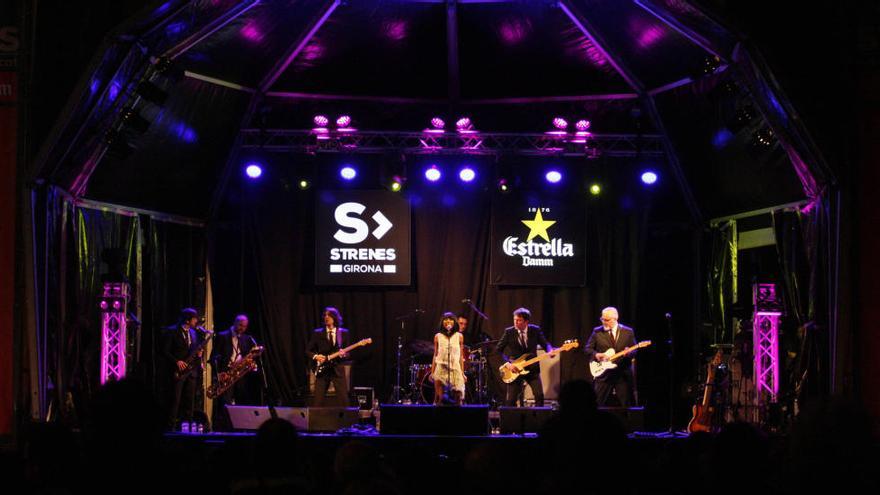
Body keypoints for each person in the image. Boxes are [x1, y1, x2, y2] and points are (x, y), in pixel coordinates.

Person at [161, 307, 208, 429]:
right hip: (178, 371)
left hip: (191, 371)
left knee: (189, 400)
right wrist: (177, 361)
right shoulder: (172, 331)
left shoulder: (193, 333)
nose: (196, 322)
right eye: (194, 320)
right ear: (187, 320)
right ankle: (170, 426)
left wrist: (199, 354)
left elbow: (194, 350)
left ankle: (188, 426)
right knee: (175, 400)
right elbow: (164, 351)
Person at [495, 307, 553, 407]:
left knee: (539, 395)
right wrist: (507, 364)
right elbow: (498, 350)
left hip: (532, 369)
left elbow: (545, 344)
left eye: (519, 320)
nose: (515, 322)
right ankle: (512, 421)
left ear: (526, 321)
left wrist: (550, 350)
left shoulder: (535, 330)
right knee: (510, 400)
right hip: (515, 370)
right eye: (514, 319)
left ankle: (539, 420)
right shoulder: (509, 332)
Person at [211, 314, 258, 429]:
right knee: (225, 403)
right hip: (226, 373)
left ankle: (239, 427)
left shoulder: (246, 338)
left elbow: (247, 356)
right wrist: (219, 373)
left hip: (239, 373)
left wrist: (251, 364)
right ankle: (223, 428)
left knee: (241, 401)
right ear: (235, 323)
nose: (243, 328)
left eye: (245, 326)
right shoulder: (222, 336)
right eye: (241, 325)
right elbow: (213, 357)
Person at [584, 306, 637, 407]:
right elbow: (587, 349)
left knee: (627, 406)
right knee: (596, 404)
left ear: (615, 319)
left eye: (606, 320)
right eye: (602, 319)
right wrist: (596, 354)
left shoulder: (628, 332)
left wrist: (629, 353)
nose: (603, 322)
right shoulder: (597, 331)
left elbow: (634, 350)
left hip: (622, 374)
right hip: (603, 374)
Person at [306, 307, 350, 406]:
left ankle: (346, 421)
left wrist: (344, 355)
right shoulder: (318, 333)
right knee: (317, 401)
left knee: (344, 401)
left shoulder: (343, 333)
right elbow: (308, 351)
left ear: (335, 317)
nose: (326, 317)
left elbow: (348, 354)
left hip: (337, 369)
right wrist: (316, 356)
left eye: (329, 315)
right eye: (325, 315)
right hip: (323, 369)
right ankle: (316, 421)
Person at [431, 312, 466, 405]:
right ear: (442, 322)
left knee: (458, 398)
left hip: (455, 368)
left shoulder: (459, 336)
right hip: (441, 368)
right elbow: (435, 354)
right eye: (446, 319)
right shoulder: (437, 336)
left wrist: (462, 373)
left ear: (454, 322)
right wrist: (432, 371)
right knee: (440, 399)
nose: (448, 321)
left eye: (450, 319)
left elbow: (461, 356)